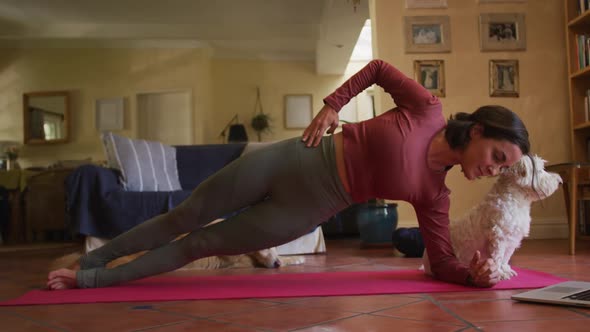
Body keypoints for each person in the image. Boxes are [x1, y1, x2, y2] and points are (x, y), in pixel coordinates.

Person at [47, 59, 529, 290]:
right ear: (480, 131)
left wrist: (476, 276)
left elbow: (442, 264)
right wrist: (331, 106)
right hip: (293, 157)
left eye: (501, 168)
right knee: (186, 215)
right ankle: (95, 260)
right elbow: (378, 68)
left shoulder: (435, 196)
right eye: (498, 157)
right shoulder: (427, 108)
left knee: (200, 243)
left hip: (310, 207)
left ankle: (88, 281)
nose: (492, 170)